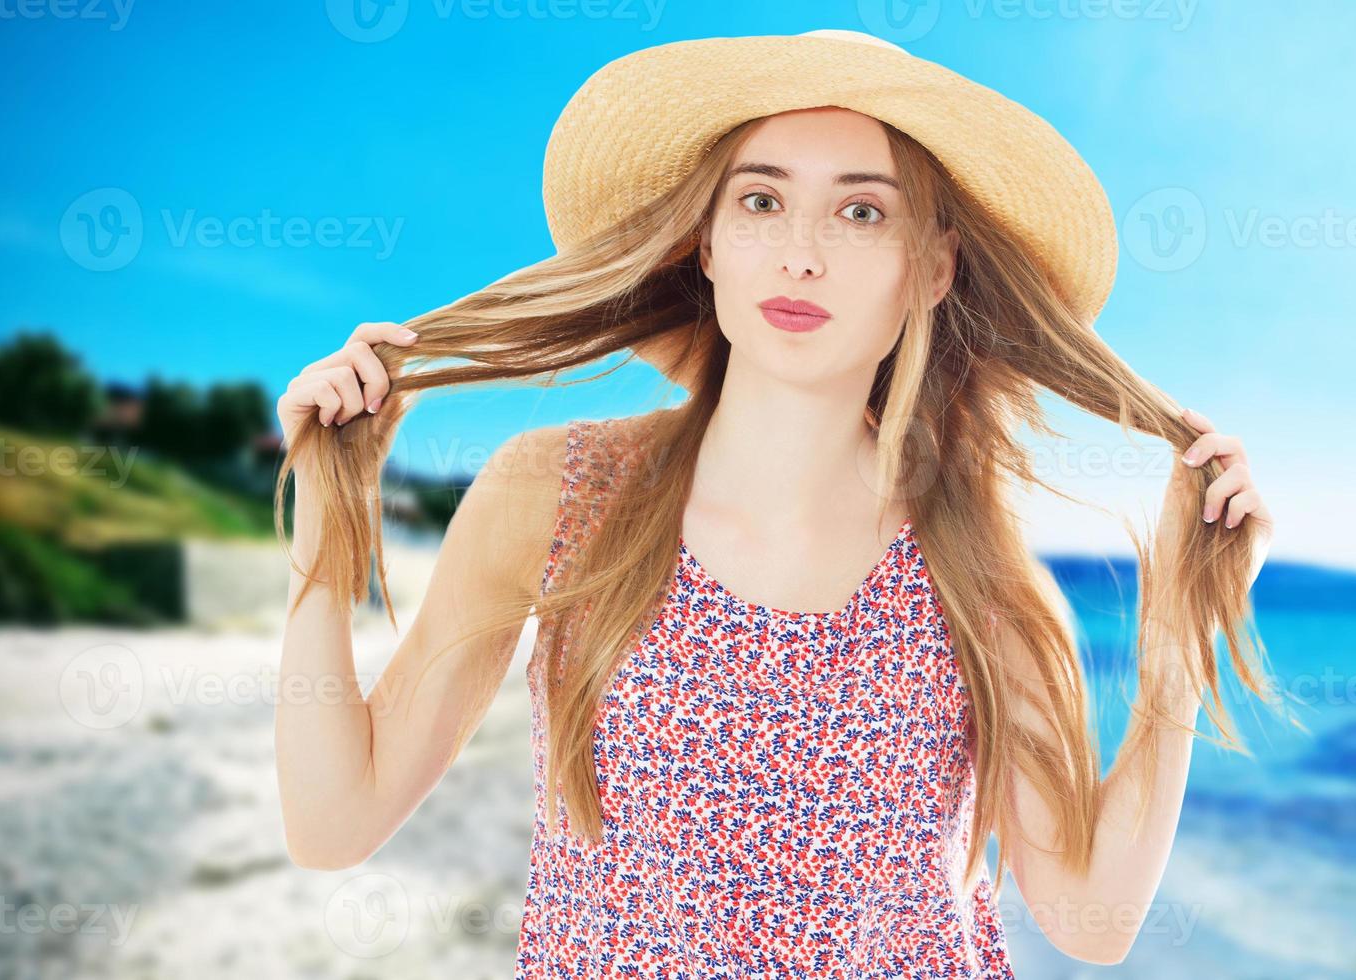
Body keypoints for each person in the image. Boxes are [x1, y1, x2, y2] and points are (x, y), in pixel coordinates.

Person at [272, 28, 1282, 977]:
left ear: (931, 268)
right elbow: (332, 823)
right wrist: (329, 516)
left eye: (860, 210)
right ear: (705, 242)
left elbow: (1091, 921)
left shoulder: (979, 569)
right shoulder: (558, 492)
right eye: (759, 201)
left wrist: (1173, 649)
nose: (800, 251)